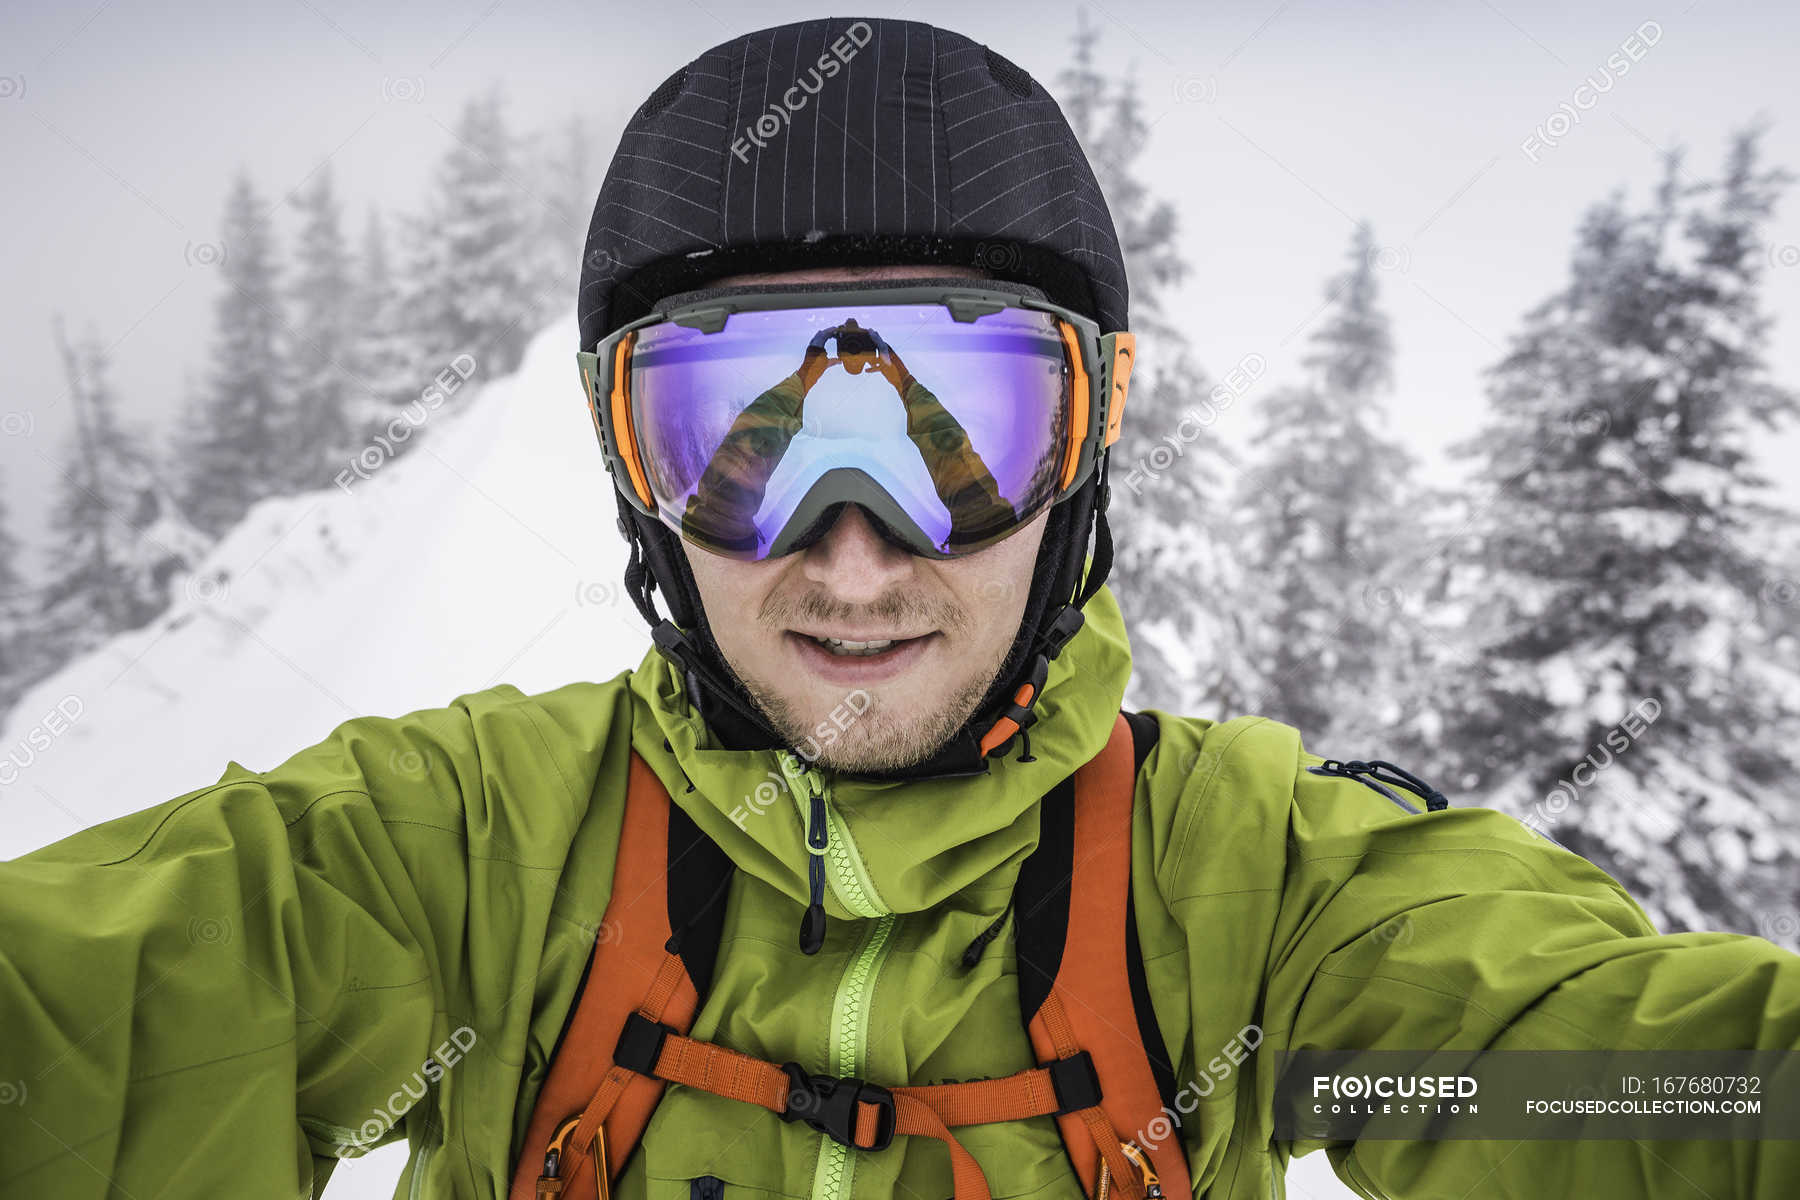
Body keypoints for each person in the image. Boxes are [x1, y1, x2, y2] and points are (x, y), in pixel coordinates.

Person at [1, 16, 1796, 1200]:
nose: (852, 553)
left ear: (1085, 445)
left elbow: (1637, 1086)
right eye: (739, 434)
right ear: (632, 470)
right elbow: (96, 1015)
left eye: (964, 427)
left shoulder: (1252, 892)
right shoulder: (463, 853)